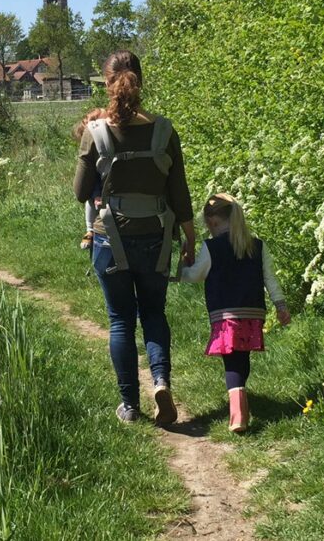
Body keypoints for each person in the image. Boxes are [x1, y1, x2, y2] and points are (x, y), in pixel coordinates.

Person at [74, 50, 196, 425]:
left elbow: (81, 193)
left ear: (107, 83)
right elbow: (180, 192)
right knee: (155, 313)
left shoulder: (96, 133)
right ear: (140, 81)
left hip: (112, 241)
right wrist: (189, 238)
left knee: (121, 321)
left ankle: (129, 404)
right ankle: (160, 380)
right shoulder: (164, 130)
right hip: (156, 238)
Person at [177, 193, 290, 433]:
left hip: (225, 313)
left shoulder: (212, 246)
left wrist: (181, 268)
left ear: (214, 222)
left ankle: (238, 414)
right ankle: (241, 401)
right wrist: (280, 305)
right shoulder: (257, 245)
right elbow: (269, 278)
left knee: (232, 359)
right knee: (242, 358)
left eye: (209, 227)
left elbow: (196, 275)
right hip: (253, 312)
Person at [71, 108, 107, 250]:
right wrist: (96, 194)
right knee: (90, 201)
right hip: (97, 186)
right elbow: (90, 181)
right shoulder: (96, 148)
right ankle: (90, 229)